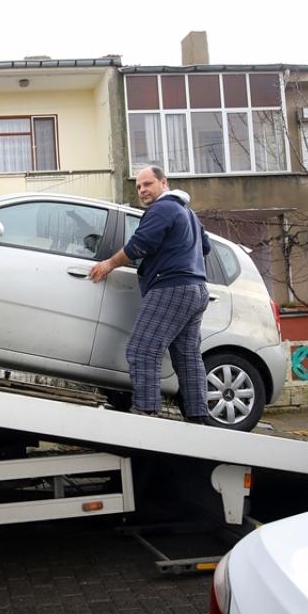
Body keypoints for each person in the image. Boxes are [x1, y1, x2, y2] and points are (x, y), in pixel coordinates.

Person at [88, 165, 214, 424]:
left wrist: (109, 264)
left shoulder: (162, 208)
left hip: (171, 288)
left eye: (148, 184)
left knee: (142, 349)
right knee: (187, 356)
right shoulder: (186, 212)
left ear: (163, 183)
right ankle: (198, 417)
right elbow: (206, 246)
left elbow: (139, 245)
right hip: (196, 289)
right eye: (138, 187)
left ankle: (146, 412)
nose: (142, 190)